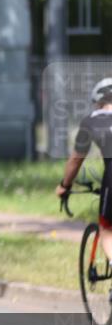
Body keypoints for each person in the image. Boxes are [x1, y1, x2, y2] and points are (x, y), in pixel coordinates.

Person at [57, 77, 112, 259]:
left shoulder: (91, 120)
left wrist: (65, 185)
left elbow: (75, 160)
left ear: (99, 101)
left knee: (106, 228)